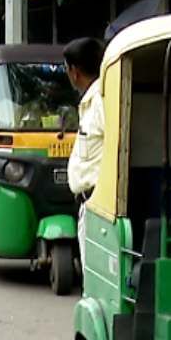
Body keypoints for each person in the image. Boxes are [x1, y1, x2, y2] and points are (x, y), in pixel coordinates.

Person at [64, 37, 106, 267]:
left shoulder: (101, 101)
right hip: (89, 206)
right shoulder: (90, 101)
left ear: (74, 71)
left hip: (98, 208)